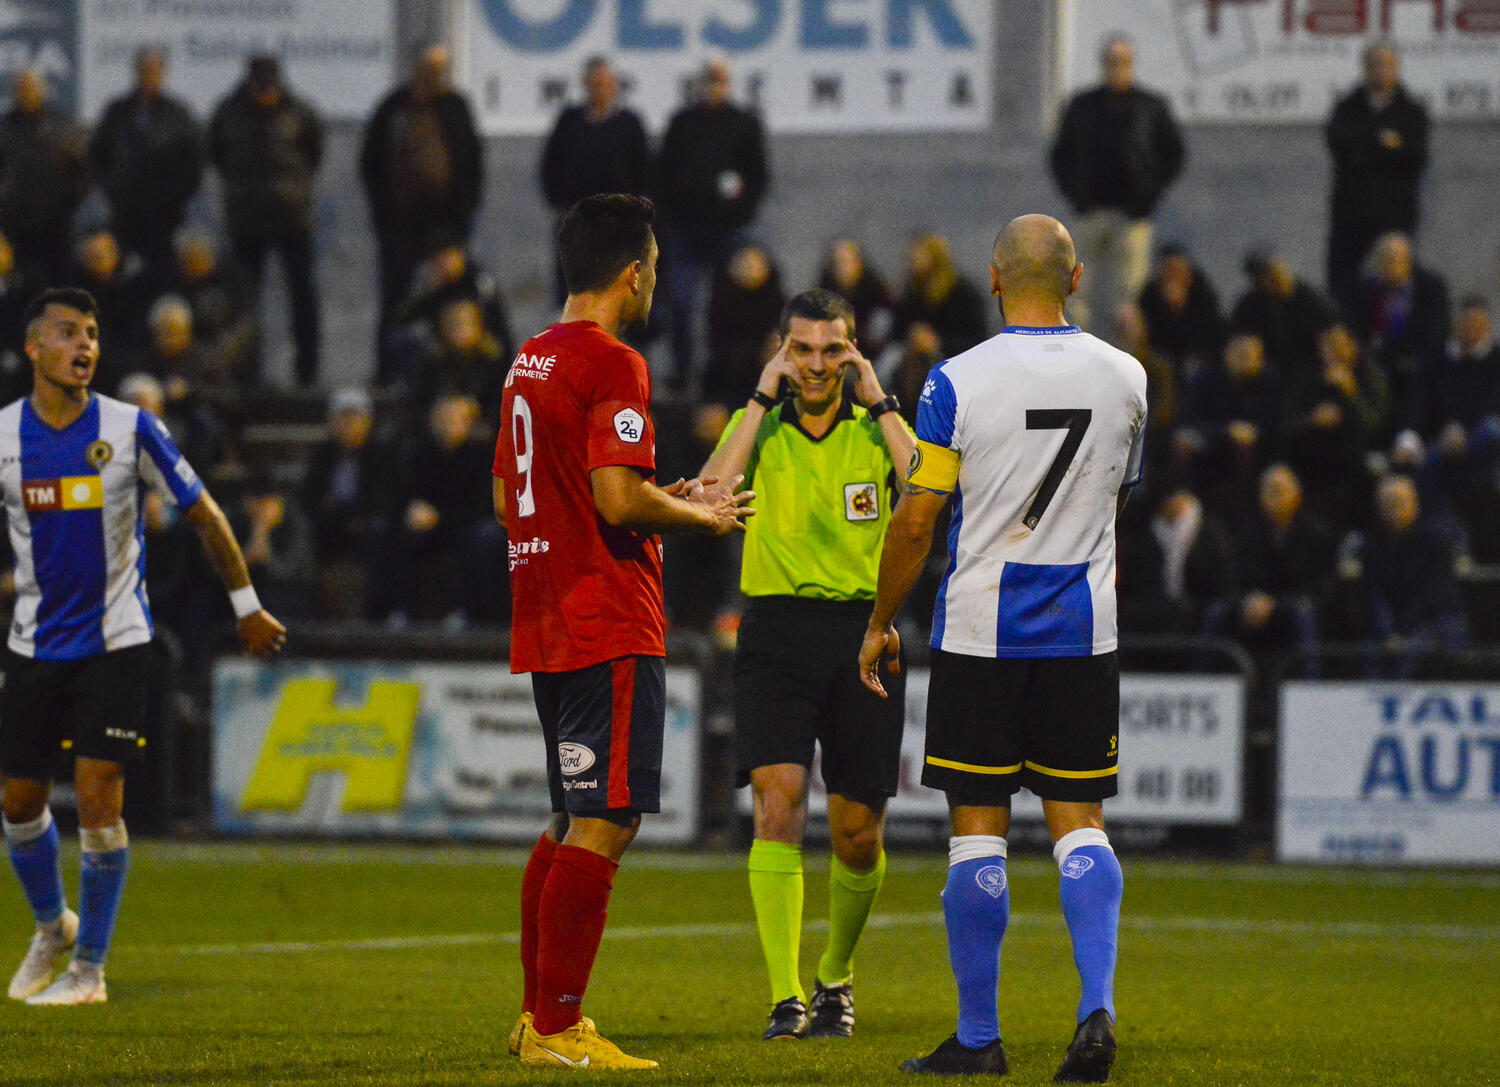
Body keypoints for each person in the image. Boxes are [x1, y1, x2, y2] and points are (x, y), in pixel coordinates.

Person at [858, 215, 1146, 1081]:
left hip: (984, 630)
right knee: (1079, 823)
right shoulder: (1126, 375)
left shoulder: (957, 381)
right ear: (1077, 277)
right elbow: (1116, 499)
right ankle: (1095, 1008)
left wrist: (879, 621)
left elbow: (918, 519)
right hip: (1082, 629)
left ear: (991, 279)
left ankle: (979, 1037)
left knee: (977, 831)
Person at [494, 194, 753, 1070]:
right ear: (634, 273)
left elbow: (509, 498)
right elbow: (614, 499)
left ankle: (535, 1018)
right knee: (606, 820)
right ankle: (557, 1027)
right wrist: (696, 515)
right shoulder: (614, 362)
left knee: (571, 818)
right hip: (606, 615)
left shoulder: (528, 360)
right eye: (653, 270)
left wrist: (653, 496)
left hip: (546, 610)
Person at [1, 288, 285, 1005]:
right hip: (34, 643)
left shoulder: (131, 428)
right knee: (18, 802)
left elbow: (205, 514)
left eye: (92, 333)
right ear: (33, 348)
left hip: (116, 639)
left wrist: (247, 605)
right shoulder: (5, 435)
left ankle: (88, 970)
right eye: (68, 333)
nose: (84, 345)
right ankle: (51, 926)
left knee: (98, 796)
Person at [699, 288, 914, 1041]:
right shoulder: (758, 426)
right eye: (802, 350)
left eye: (832, 350)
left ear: (852, 354)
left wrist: (880, 398)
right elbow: (710, 495)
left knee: (858, 832)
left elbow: (928, 489)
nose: (816, 365)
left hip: (865, 633)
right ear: (782, 352)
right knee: (777, 803)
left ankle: (836, 974)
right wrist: (760, 396)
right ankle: (785, 996)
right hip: (775, 630)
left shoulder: (873, 428)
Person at [360, 44, 483, 378]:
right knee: (395, 300)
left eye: (441, 68)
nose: (435, 75)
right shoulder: (392, 108)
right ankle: (387, 373)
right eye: (429, 67)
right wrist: (383, 217)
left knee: (451, 300)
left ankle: (452, 375)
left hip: (445, 228)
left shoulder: (456, 108)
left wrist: (458, 230)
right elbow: (371, 164)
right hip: (399, 227)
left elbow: (471, 166)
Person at [1049, 36, 1185, 333]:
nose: (1117, 68)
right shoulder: (1083, 106)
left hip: (1133, 214)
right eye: (1111, 62)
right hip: (1090, 212)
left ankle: (1123, 352)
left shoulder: (1149, 107)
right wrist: (1075, 195)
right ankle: (1074, 346)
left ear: (1131, 64)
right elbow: (1060, 155)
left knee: (1129, 295)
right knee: (1077, 289)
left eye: (1122, 62)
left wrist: (1149, 194)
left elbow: (1174, 153)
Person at [208, 55, 323, 387]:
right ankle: (247, 372)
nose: (266, 96)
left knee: (303, 296)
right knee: (244, 302)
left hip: (292, 219)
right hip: (246, 220)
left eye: (271, 89)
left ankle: (307, 370)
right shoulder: (227, 113)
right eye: (261, 89)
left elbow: (314, 153)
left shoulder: (300, 112)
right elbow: (216, 156)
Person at [658, 59, 769, 392]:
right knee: (681, 302)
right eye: (709, 80)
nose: (714, 87)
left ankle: (730, 372)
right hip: (686, 230)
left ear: (729, 84)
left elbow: (758, 176)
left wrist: (741, 213)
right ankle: (683, 370)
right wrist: (675, 214)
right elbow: (664, 173)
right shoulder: (682, 123)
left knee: (733, 303)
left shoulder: (744, 123)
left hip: (731, 231)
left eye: (720, 80)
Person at [1325, 42, 1429, 315]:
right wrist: (1385, 144)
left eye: (1388, 65)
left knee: (1397, 280)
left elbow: (1415, 158)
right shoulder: (1346, 108)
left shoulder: (1412, 112)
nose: (1381, 71)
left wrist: (1367, 148)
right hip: (1351, 213)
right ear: (1366, 68)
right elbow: (1340, 147)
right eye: (1376, 65)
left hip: (1396, 213)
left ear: (1396, 69)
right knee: (1342, 282)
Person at [89, 47, 204, 291]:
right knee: (117, 282)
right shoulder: (117, 112)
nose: (148, 76)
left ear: (163, 73)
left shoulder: (177, 114)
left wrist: (176, 195)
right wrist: (112, 189)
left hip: (166, 218)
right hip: (124, 215)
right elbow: (97, 156)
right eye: (144, 70)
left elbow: (194, 161)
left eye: (154, 70)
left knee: (164, 280)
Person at [540, 56, 651, 305]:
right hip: (576, 223)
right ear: (585, 86)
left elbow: (643, 172)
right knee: (574, 294)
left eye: (604, 84)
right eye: (594, 84)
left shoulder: (629, 125)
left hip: (619, 225)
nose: (599, 89)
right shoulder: (569, 122)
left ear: (614, 86)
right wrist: (559, 206)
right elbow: (550, 166)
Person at [0, 71, 89, 288]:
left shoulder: (63, 128)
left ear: (42, 90)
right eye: (21, 88)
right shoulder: (3, 129)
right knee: (17, 292)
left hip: (57, 229)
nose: (26, 93)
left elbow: (83, 176)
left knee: (55, 290)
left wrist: (70, 209)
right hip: (12, 228)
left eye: (31, 87)